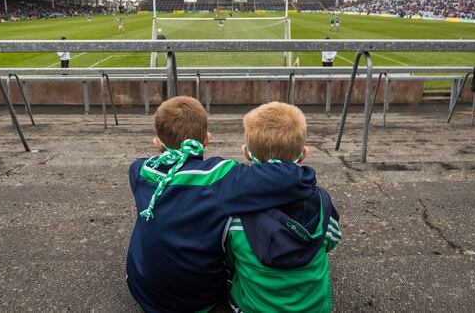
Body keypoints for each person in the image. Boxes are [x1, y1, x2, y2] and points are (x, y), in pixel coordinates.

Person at [126, 96, 317, 313]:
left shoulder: (138, 171)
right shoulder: (219, 177)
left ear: (157, 144)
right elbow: (285, 178)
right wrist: (306, 176)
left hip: (142, 291)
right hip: (196, 302)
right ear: (206, 139)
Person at [225, 102, 340, 313]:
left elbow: (229, 258)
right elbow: (331, 241)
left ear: (246, 153)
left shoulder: (235, 211)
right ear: (304, 153)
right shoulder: (322, 203)